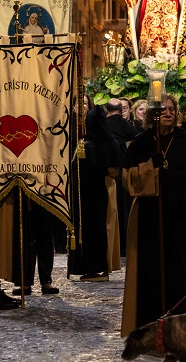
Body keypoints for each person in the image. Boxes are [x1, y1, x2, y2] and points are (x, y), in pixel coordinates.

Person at [120, 94, 186, 337]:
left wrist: (175, 190)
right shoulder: (141, 143)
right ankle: (149, 327)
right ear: (152, 115)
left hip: (181, 218)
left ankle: (183, 328)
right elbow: (127, 179)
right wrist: (151, 169)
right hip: (149, 219)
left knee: (181, 272)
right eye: (162, 110)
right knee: (149, 274)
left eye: (171, 110)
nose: (167, 114)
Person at [69, 105, 122, 282]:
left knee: (99, 227)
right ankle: (92, 266)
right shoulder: (94, 144)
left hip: (99, 194)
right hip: (88, 195)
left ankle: (98, 267)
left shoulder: (94, 145)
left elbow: (113, 170)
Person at [106, 98, 137, 256]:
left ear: (107, 110)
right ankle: (126, 244)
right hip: (125, 173)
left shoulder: (104, 127)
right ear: (121, 110)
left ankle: (114, 245)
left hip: (109, 175)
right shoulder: (128, 128)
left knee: (112, 210)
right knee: (126, 208)